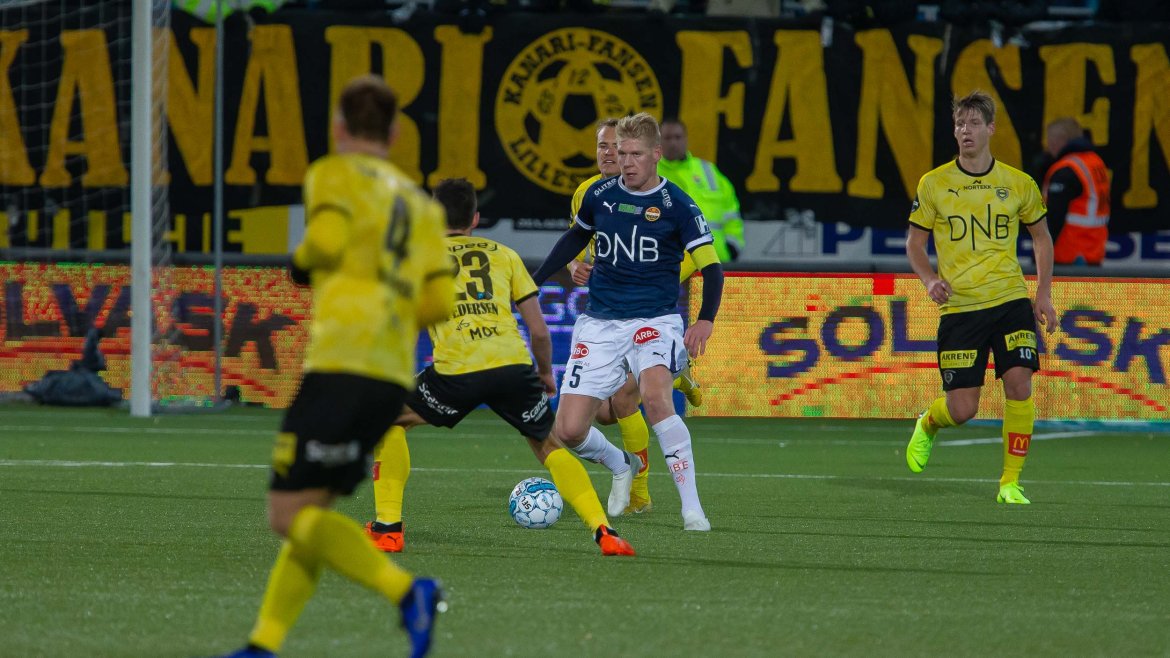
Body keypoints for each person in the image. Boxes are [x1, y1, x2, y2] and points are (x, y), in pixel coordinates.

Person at [220, 76, 453, 658]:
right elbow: (437, 303)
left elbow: (324, 242)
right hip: (391, 375)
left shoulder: (333, 172)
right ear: (394, 135)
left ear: (339, 127)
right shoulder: (422, 206)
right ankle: (264, 644)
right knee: (310, 516)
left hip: (342, 364)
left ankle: (408, 592)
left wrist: (303, 264)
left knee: (285, 515)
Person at [364, 178, 635, 557]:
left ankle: (388, 528)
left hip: (457, 371)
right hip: (513, 367)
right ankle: (604, 531)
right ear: (475, 218)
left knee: (389, 420)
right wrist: (545, 373)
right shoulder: (505, 255)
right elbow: (539, 331)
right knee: (548, 444)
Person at [533, 112, 724, 531]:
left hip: (654, 320)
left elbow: (712, 267)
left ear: (656, 154)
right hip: (600, 323)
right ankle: (621, 463)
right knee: (568, 430)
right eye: (621, 153)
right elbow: (575, 237)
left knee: (654, 399)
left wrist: (705, 319)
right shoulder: (598, 195)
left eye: (635, 154)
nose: (626, 162)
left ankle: (692, 508)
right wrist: (536, 280)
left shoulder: (679, 205)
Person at [904, 90, 1057, 504]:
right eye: (959, 124)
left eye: (973, 123)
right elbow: (915, 244)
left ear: (991, 129)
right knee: (962, 410)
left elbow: (1041, 237)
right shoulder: (934, 183)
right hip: (961, 307)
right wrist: (929, 280)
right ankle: (928, 423)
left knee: (1019, 382)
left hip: (1010, 300)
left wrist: (1042, 293)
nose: (965, 131)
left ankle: (1010, 482)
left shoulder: (1018, 183)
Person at [658, 117, 744, 263]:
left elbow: (731, 211)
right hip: (668, 264)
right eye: (667, 138)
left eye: (678, 137)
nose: (673, 143)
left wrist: (732, 246)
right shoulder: (649, 173)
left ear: (686, 139)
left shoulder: (708, 171)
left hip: (716, 259)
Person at [1042, 117, 1110, 266]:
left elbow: (1054, 217)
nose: (1047, 146)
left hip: (1069, 254)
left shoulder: (1066, 171)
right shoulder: (1095, 162)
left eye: (1050, 141)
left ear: (1059, 140)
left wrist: (1040, 255)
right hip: (1093, 251)